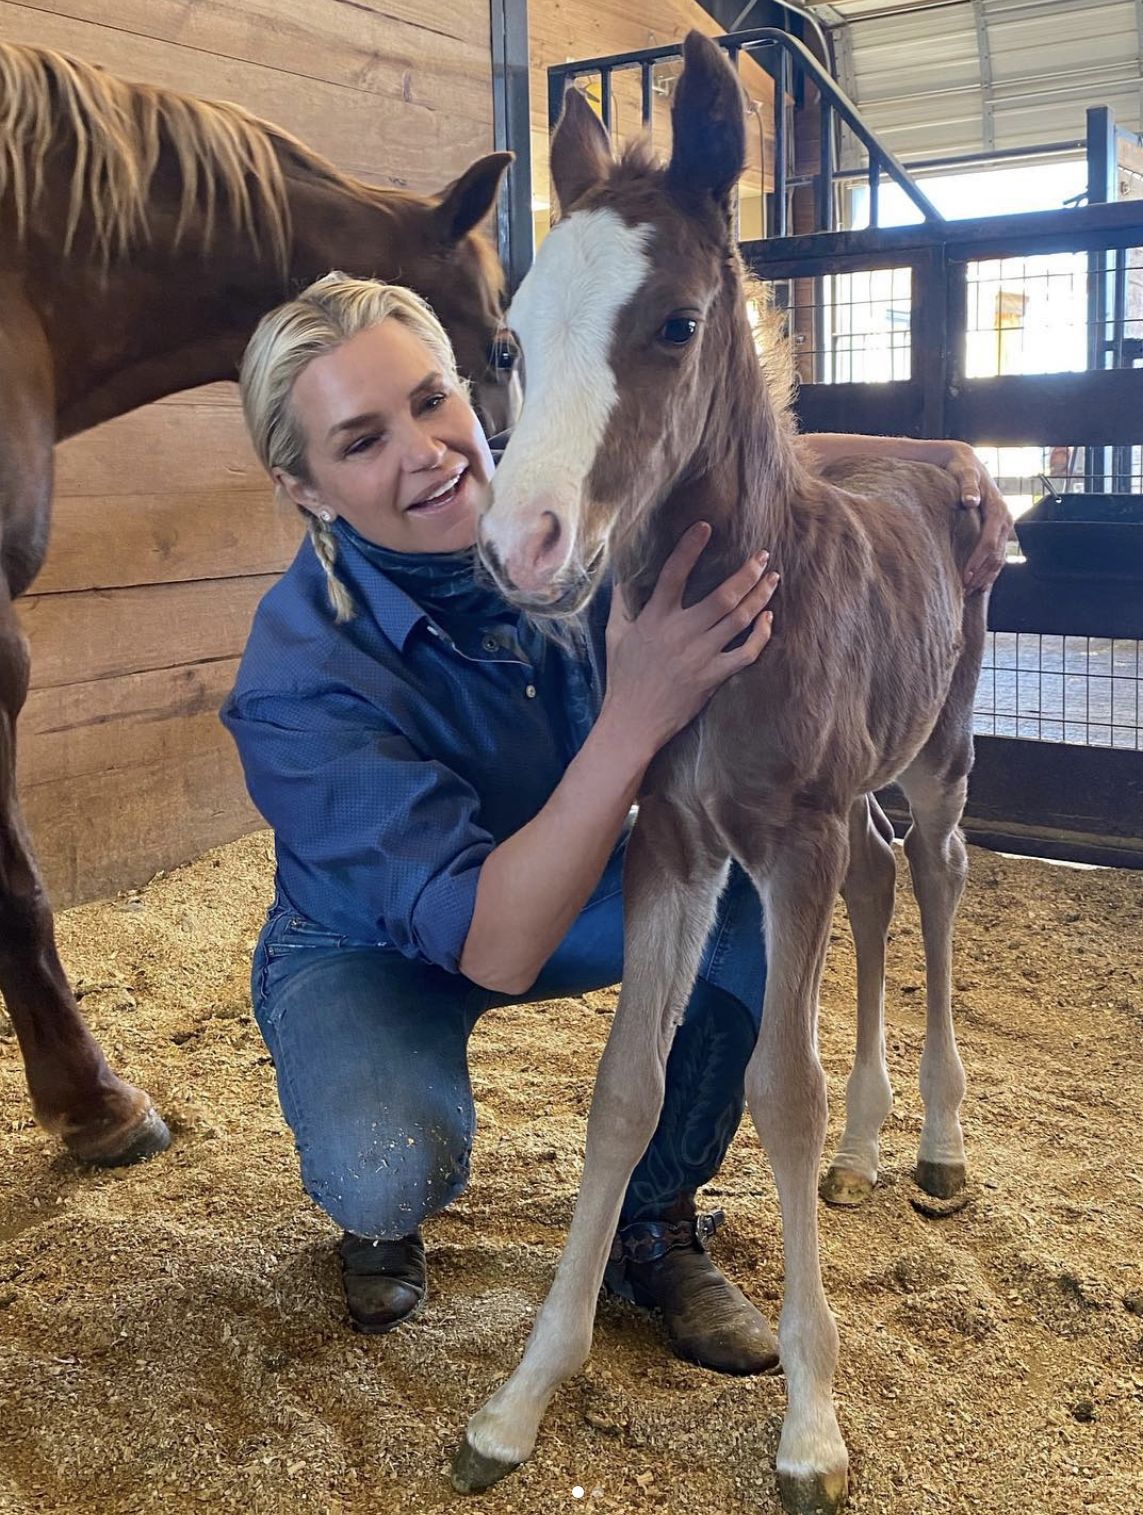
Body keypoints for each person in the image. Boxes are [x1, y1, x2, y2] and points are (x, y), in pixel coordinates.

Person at [222, 273, 1013, 1372]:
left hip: (576, 877)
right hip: (379, 943)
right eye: (361, 441)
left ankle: (659, 1216)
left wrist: (938, 462)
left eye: (434, 399)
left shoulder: (566, 516)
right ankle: (377, 1218)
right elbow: (495, 949)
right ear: (303, 488)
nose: (428, 451)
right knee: (384, 1159)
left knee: (744, 881)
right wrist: (636, 712)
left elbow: (722, 445)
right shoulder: (295, 682)